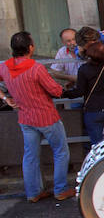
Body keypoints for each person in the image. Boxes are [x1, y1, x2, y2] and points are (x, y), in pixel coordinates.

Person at [0, 31, 73, 202]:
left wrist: (5, 98)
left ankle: (33, 193)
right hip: (46, 116)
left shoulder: (4, 66)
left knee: (30, 156)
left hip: (25, 117)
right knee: (61, 152)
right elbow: (55, 91)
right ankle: (60, 189)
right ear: (30, 47)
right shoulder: (36, 68)